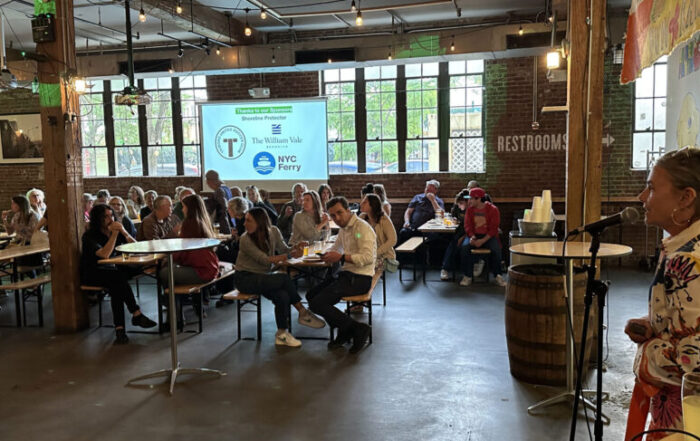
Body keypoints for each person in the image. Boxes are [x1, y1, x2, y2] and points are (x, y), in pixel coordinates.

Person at [624, 147, 700, 440]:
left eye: (652, 188)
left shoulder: (690, 259)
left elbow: (694, 361)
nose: (642, 197)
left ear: (685, 198)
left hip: (685, 418)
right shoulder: (681, 246)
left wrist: (646, 355)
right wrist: (654, 324)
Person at [233, 207, 325, 347]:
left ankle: (282, 334)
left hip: (263, 276)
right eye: (245, 220)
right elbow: (265, 260)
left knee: (282, 295)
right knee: (284, 278)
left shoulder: (274, 231)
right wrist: (289, 255)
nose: (244, 224)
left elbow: (284, 249)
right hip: (245, 278)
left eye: (248, 221)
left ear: (260, 222)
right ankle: (303, 312)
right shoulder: (245, 239)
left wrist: (296, 247)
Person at [307, 196, 376, 354]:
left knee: (317, 303)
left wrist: (341, 257)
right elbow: (336, 248)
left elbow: (368, 258)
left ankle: (356, 328)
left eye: (339, 213)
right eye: (333, 215)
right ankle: (346, 329)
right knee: (311, 296)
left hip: (360, 278)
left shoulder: (362, 228)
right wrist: (324, 255)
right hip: (347, 274)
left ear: (348, 210)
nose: (337, 218)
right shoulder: (344, 229)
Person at [80, 203, 157, 344]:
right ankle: (135, 314)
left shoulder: (116, 231)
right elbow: (104, 254)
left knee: (117, 284)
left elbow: (137, 248)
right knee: (117, 280)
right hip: (94, 273)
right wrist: (115, 234)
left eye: (111, 216)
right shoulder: (90, 236)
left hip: (113, 272)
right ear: (97, 219)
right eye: (106, 217)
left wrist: (124, 232)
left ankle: (120, 329)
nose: (110, 219)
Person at [159, 194, 219, 289]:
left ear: (190, 208)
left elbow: (183, 250)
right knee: (172, 266)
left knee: (165, 272)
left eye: (183, 206)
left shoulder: (189, 224)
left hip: (202, 271)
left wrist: (168, 257)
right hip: (210, 266)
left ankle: (172, 296)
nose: (182, 210)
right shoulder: (203, 221)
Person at [459, 187, 506, 287]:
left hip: (488, 236)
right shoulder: (469, 210)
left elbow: (493, 228)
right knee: (464, 248)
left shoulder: (493, 209)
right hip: (474, 235)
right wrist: (472, 237)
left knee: (496, 249)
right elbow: (467, 226)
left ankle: (498, 275)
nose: (469, 201)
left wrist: (482, 240)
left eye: (471, 198)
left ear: (478, 199)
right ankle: (467, 275)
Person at [398, 179, 445, 244]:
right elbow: (408, 212)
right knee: (403, 232)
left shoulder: (438, 201)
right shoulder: (417, 197)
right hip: (414, 227)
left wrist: (433, 201)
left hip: (429, 230)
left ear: (436, 190)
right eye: (427, 189)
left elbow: (441, 215)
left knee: (435, 238)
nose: (427, 192)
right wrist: (406, 221)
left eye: (430, 190)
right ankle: (399, 250)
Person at [359, 193, 396, 268]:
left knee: (367, 266)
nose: (361, 204)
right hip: (367, 254)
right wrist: (358, 236)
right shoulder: (362, 217)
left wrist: (376, 252)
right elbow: (357, 234)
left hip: (384, 256)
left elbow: (393, 240)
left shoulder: (384, 219)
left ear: (372, 205)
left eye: (364, 202)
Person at [440, 189, 469, 281]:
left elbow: (471, 227)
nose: (459, 205)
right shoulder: (457, 206)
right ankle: (445, 269)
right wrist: (454, 219)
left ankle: (447, 269)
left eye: (461, 203)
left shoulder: (472, 209)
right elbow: (453, 216)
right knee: (452, 242)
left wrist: (463, 237)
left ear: (467, 201)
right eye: (458, 203)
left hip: (469, 233)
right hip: (459, 230)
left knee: (456, 244)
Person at [205, 169, 232, 234]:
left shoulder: (219, 191)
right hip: (230, 219)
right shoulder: (226, 188)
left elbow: (223, 207)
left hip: (223, 222)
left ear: (210, 181)